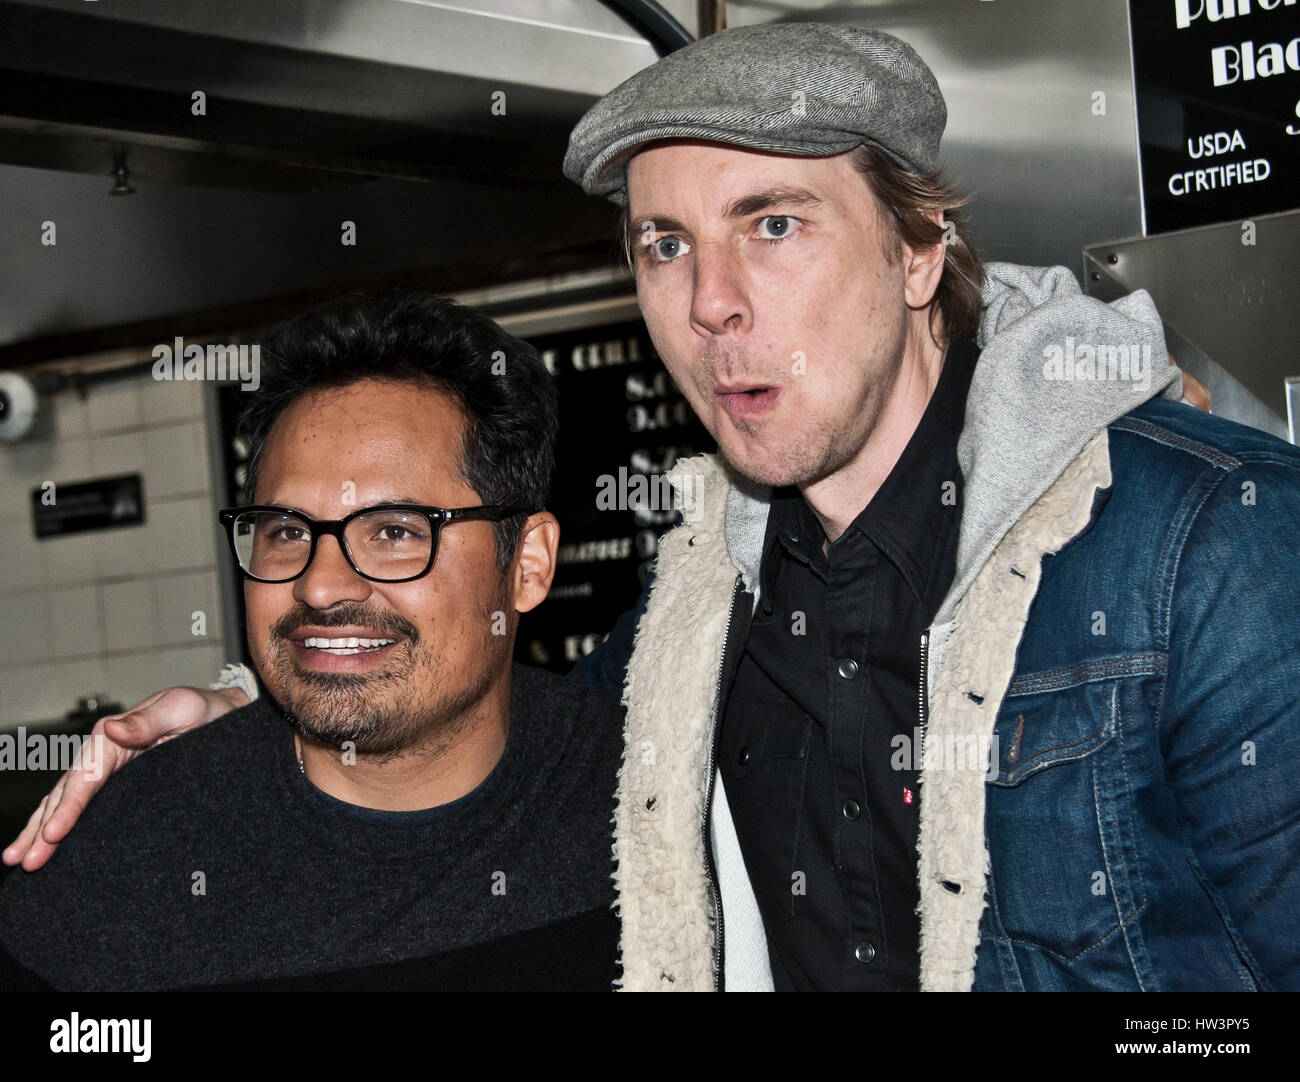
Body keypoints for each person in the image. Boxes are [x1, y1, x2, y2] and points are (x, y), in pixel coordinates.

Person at [9, 23, 1297, 993]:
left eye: (774, 224)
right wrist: (248, 701)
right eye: (663, 244)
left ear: (920, 251)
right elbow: (470, 693)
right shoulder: (694, 620)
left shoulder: (1214, 546)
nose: (710, 302)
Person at [0, 291, 623, 990]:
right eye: (288, 532)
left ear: (528, 565)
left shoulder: (665, 805)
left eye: (394, 531)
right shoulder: (120, 872)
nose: (321, 588)